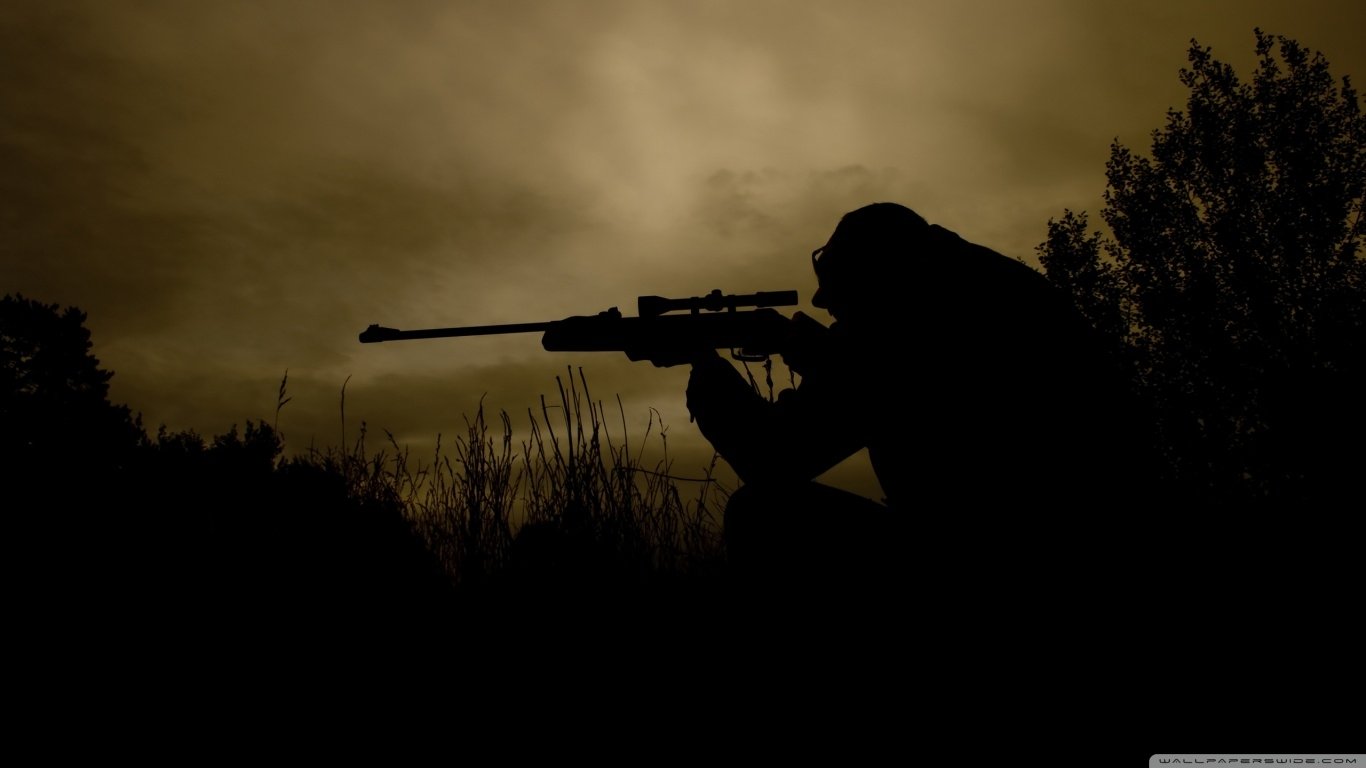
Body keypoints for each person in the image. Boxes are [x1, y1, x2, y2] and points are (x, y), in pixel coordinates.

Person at [639, 202, 1155, 598]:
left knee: (763, 514)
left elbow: (774, 459)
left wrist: (705, 366)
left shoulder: (909, 322)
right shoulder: (987, 289)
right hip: (1090, 539)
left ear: (877, 276)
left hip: (1008, 557)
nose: (822, 303)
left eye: (836, 288)